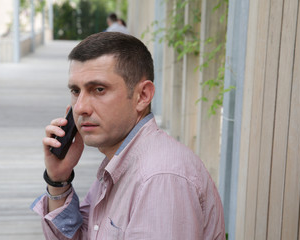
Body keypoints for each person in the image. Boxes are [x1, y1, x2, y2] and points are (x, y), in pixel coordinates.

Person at [31, 32, 225, 240]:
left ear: (142, 96)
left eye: (98, 89)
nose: (80, 108)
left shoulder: (160, 180)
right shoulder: (120, 163)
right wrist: (59, 180)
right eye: (76, 91)